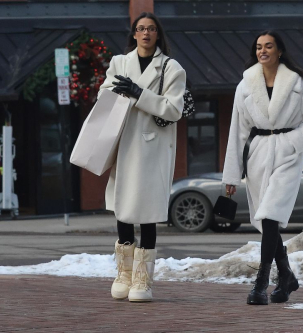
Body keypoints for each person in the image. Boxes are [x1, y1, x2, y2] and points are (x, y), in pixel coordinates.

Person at [222, 31, 303, 305]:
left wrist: (291, 142)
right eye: (258, 47)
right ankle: (287, 278)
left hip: (287, 155)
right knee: (266, 222)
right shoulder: (245, 85)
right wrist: (232, 174)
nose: (263, 51)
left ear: (279, 50)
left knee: (270, 216)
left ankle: (260, 284)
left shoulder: (299, 84)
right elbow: (237, 132)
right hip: (257, 156)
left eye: (268, 46)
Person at [98, 12, 186, 302]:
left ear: (158, 34)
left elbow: (174, 110)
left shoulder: (172, 68)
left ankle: (143, 280)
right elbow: (104, 96)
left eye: (150, 28)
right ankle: (123, 274)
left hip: (152, 147)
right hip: (123, 142)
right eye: (140, 28)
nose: (145, 33)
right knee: (123, 208)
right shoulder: (120, 62)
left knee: (146, 212)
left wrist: (139, 93)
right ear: (133, 34)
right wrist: (117, 91)